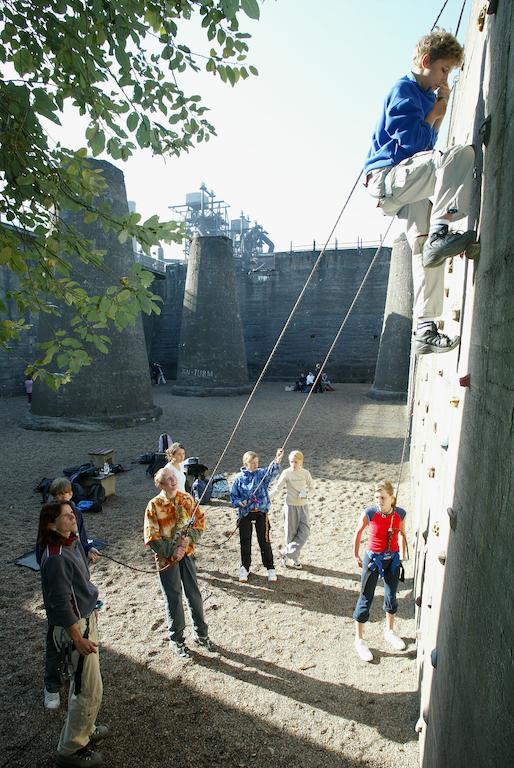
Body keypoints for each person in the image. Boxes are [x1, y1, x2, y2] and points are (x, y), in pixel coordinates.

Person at [364, 29, 478, 355]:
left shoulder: (424, 96)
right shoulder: (405, 90)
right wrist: (436, 109)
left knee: (423, 246)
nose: (445, 78)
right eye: (444, 70)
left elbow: (422, 147)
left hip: (403, 184)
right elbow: (416, 145)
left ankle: (424, 328)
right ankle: (443, 229)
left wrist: (437, 109)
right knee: (459, 156)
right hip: (388, 178)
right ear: (426, 62)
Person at [38, 501, 107, 768]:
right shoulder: (55, 557)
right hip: (75, 628)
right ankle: (70, 749)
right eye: (66, 517)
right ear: (50, 525)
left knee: (93, 684)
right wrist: (77, 638)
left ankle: (86, 729)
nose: (73, 519)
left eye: (72, 514)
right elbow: (59, 602)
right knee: (84, 688)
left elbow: (80, 585)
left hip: (86, 619)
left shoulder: (72, 542)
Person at [37, 478, 101, 711]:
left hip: (79, 594)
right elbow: (60, 600)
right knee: (56, 643)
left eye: (67, 496)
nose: (69, 510)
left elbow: (81, 537)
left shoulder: (74, 519)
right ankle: (51, 685)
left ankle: (75, 679)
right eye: (58, 499)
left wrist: (87, 548)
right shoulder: (54, 553)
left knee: (82, 662)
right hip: (63, 601)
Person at [144, 467, 212, 659]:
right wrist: (172, 551)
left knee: (194, 594)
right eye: (168, 479)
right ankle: (177, 640)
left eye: (173, 477)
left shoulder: (187, 499)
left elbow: (199, 522)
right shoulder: (154, 505)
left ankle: (201, 634)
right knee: (173, 598)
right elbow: (151, 536)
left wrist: (188, 540)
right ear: (161, 484)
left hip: (187, 555)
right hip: (167, 561)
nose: (173, 481)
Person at [352, 480, 407, 662]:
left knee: (391, 595)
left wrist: (403, 553)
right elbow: (358, 532)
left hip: (392, 559)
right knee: (366, 596)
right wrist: (356, 555)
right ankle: (359, 640)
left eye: (383, 497)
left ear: (392, 498)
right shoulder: (370, 513)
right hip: (373, 559)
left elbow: (402, 534)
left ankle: (390, 631)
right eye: (376, 497)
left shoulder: (400, 514)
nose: (379, 501)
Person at [230, 447, 284, 583]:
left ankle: (270, 568)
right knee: (245, 541)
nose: (255, 465)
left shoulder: (261, 474)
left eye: (257, 463)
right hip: (245, 514)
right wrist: (239, 502)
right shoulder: (238, 478)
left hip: (261, 512)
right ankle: (244, 568)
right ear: (245, 464)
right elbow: (233, 497)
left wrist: (277, 459)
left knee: (264, 541)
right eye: (252, 463)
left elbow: (272, 472)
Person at [270, 450, 314, 568]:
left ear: (301, 461)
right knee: (291, 533)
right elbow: (277, 489)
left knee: (305, 532)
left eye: (296, 462)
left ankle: (286, 552)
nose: (293, 464)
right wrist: (267, 498)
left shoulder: (305, 473)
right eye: (291, 462)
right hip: (290, 506)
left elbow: (312, 489)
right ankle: (295, 558)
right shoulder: (286, 473)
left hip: (303, 506)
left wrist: (305, 494)